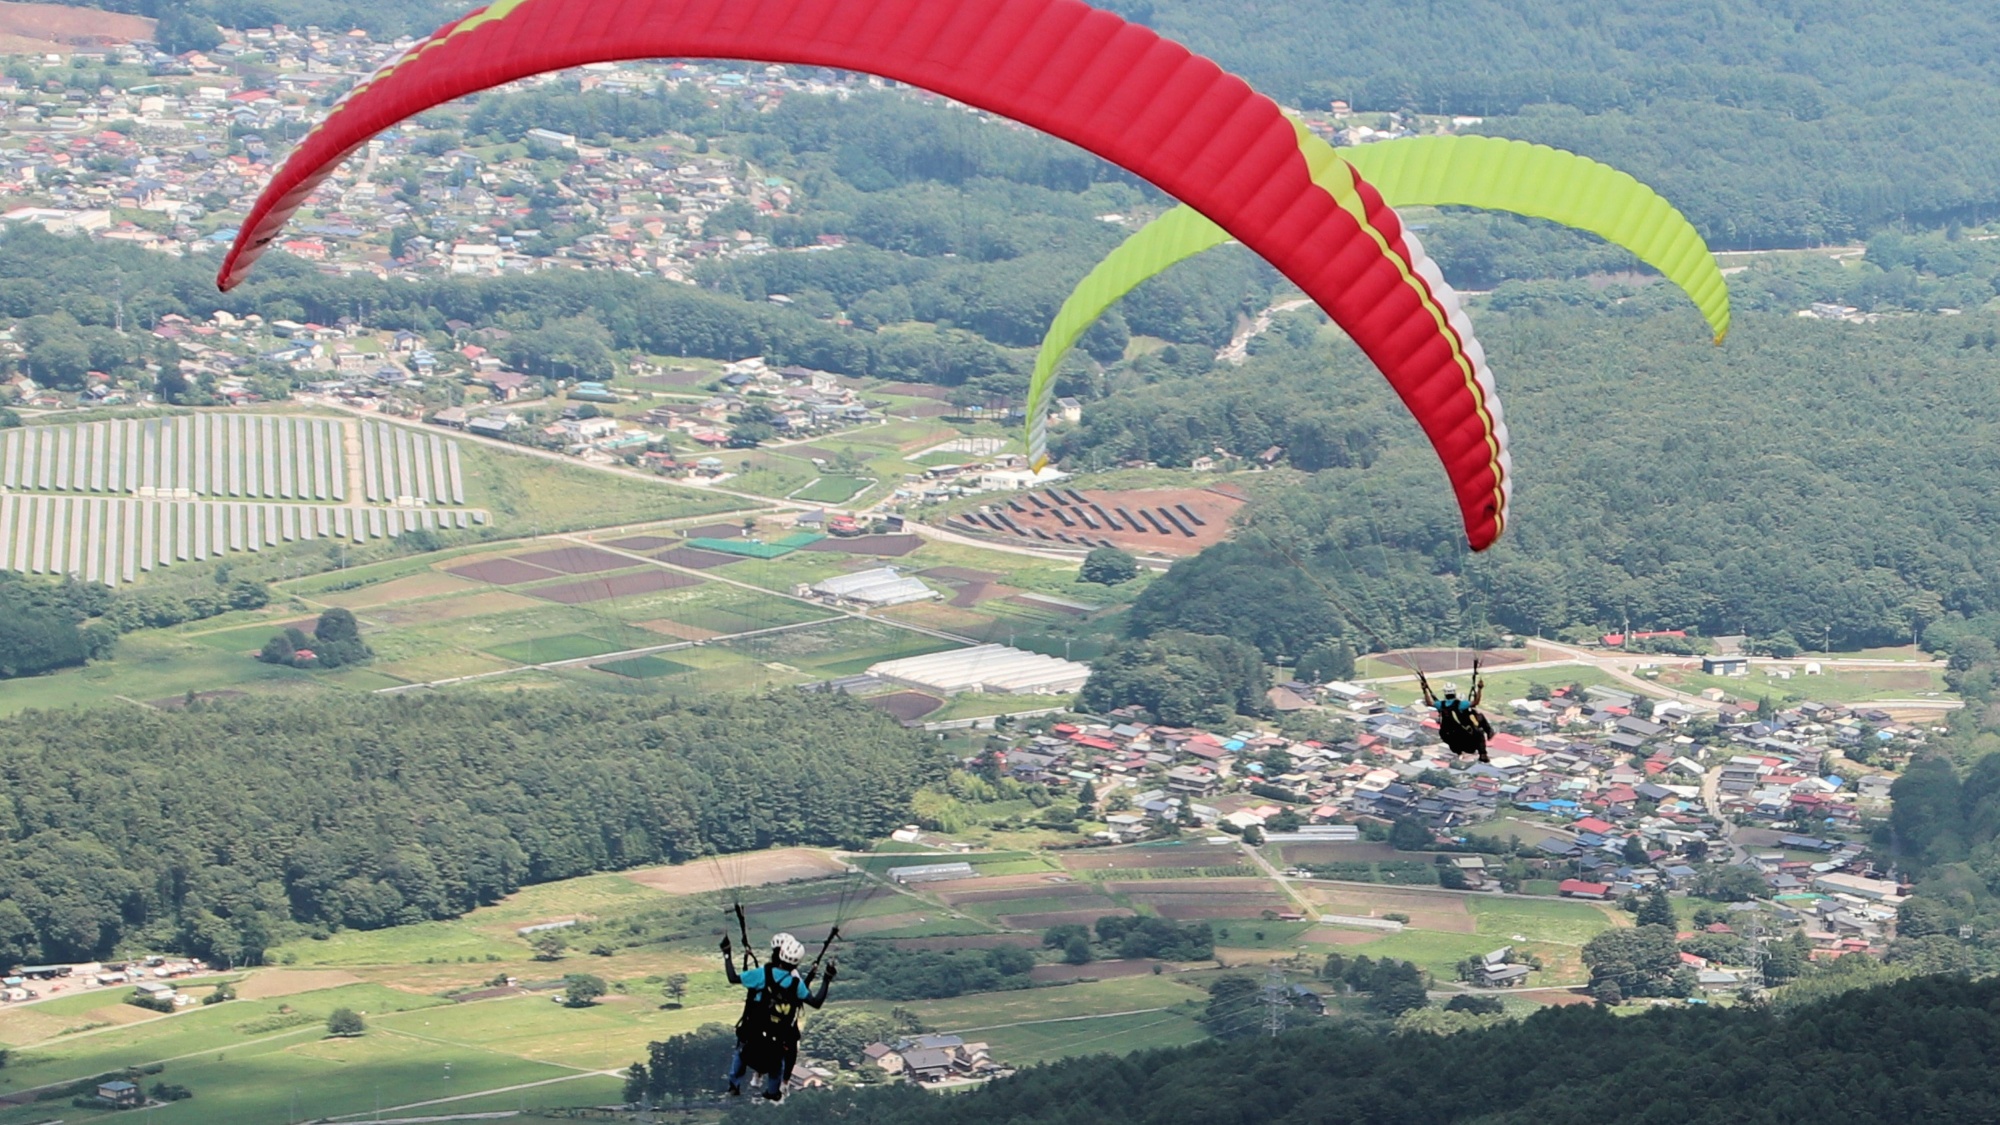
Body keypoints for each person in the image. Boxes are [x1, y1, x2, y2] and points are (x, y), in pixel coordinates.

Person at [721, 931, 834, 1101]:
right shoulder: (796, 984)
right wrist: (827, 978)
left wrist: (727, 953)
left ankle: (734, 1086)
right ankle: (773, 1091)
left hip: (755, 1029)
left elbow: (733, 978)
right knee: (776, 1062)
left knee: (742, 1052)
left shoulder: (762, 974)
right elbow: (816, 1002)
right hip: (778, 1034)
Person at [1422, 678, 1495, 763]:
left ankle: (1459, 752)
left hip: (1448, 735)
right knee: (1479, 733)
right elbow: (1476, 702)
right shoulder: (1460, 704)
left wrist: (1425, 690)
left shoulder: (1441, 705)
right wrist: (1479, 688)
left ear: (1445, 693)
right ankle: (1483, 754)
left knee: (1452, 740)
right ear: (1454, 693)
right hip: (1461, 732)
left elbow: (1429, 703)